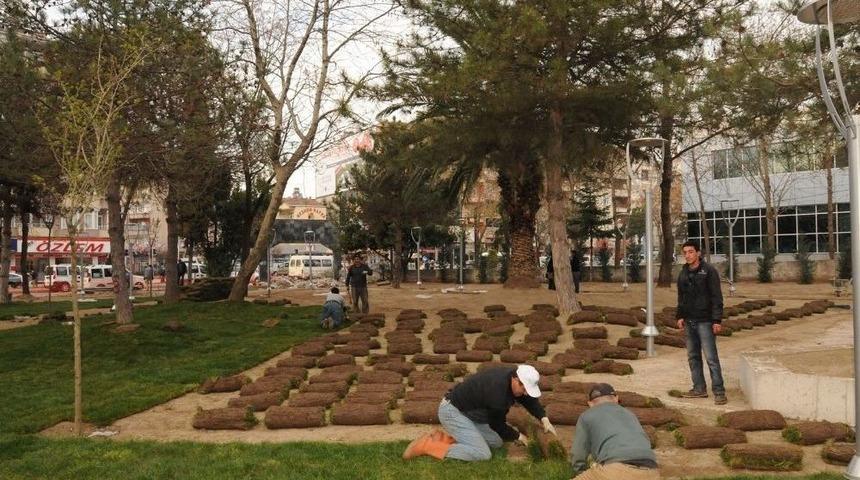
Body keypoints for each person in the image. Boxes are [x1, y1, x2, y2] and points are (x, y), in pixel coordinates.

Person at [402, 365, 557, 462]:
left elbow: (528, 399)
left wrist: (543, 418)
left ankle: (442, 438)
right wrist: (519, 436)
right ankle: (428, 446)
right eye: (524, 389)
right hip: (452, 412)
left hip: (471, 414)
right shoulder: (497, 393)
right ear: (516, 380)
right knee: (482, 454)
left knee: (496, 443)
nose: (525, 394)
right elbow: (497, 424)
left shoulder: (513, 375)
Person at [569, 383, 659, 479]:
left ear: (590, 404)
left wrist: (580, 471)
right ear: (616, 398)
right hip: (652, 471)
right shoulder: (630, 414)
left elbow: (578, 454)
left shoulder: (586, 416)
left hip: (616, 470)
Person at [675, 240, 726, 405]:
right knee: (693, 357)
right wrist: (680, 316)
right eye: (685, 252)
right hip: (689, 321)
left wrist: (716, 320)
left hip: (705, 321)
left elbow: (716, 297)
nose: (688, 255)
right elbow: (681, 297)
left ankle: (719, 391)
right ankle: (699, 388)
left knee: (711, 358)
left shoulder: (709, 271)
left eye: (690, 252)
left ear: (698, 253)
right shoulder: (683, 273)